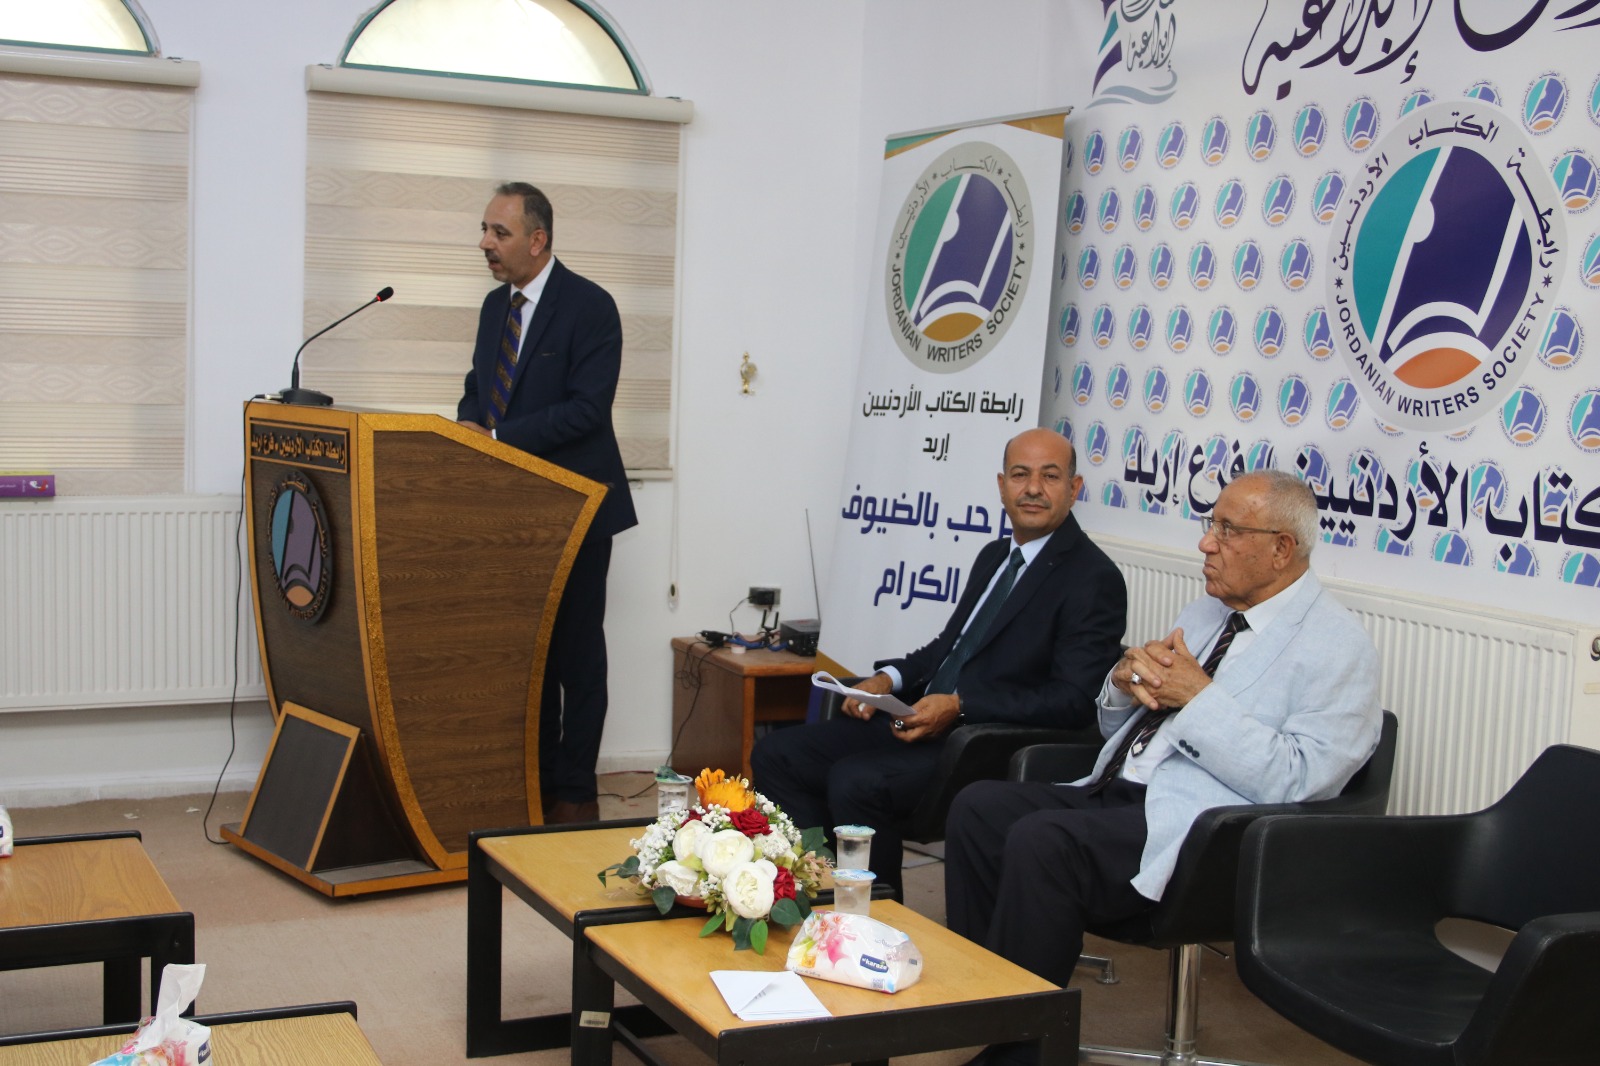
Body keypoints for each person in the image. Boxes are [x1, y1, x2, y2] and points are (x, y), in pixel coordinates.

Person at [944, 469, 1382, 1066]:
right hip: (1120, 789)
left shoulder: (1338, 646)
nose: (1207, 543)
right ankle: (987, 1003)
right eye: (1211, 524)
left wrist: (1197, 699)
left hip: (1207, 833)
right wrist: (1122, 683)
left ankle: (1024, 1053)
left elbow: (1302, 779)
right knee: (979, 807)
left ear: (1282, 548)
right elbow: (1121, 730)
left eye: (1228, 530)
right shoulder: (1206, 613)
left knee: (1043, 841)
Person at [751, 428, 1127, 890]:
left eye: (1049, 476)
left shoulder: (1093, 578)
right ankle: (819, 884)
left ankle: (877, 914)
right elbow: (950, 648)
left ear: (1074, 488)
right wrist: (888, 680)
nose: (1032, 488)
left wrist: (960, 706)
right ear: (1001, 485)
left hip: (980, 743)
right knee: (777, 755)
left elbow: (1073, 700)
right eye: (1020, 475)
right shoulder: (995, 556)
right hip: (918, 720)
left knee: (855, 780)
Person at [457, 182, 637, 825]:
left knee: (576, 657)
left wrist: (497, 439)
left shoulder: (591, 306)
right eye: (485, 230)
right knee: (526, 655)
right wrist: (467, 429)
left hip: (577, 509)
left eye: (499, 233)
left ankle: (575, 793)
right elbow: (480, 386)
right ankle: (532, 782)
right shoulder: (493, 307)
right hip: (512, 513)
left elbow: (588, 410)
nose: (485, 243)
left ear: (538, 240)